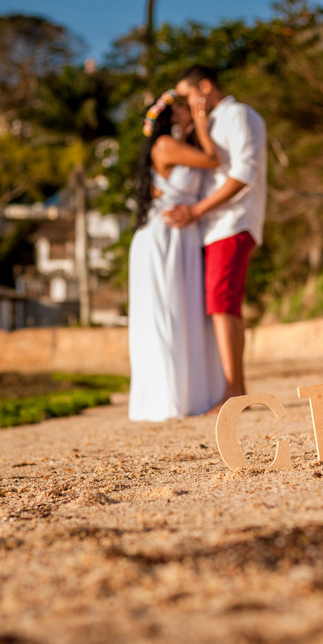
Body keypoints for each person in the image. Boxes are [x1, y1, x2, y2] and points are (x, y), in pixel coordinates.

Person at [164, 66, 267, 411]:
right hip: (215, 226)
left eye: (187, 95)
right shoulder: (209, 123)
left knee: (222, 304)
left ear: (205, 87)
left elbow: (245, 173)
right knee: (225, 305)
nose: (185, 103)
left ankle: (233, 391)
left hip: (232, 222)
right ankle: (235, 388)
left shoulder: (238, 115)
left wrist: (196, 211)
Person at [127, 89, 227, 422]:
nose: (190, 107)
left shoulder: (182, 144)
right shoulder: (165, 145)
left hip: (184, 237)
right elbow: (213, 160)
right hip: (163, 237)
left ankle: (190, 395)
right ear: (170, 115)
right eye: (184, 106)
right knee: (166, 313)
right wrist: (201, 122)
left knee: (186, 312)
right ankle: (166, 399)